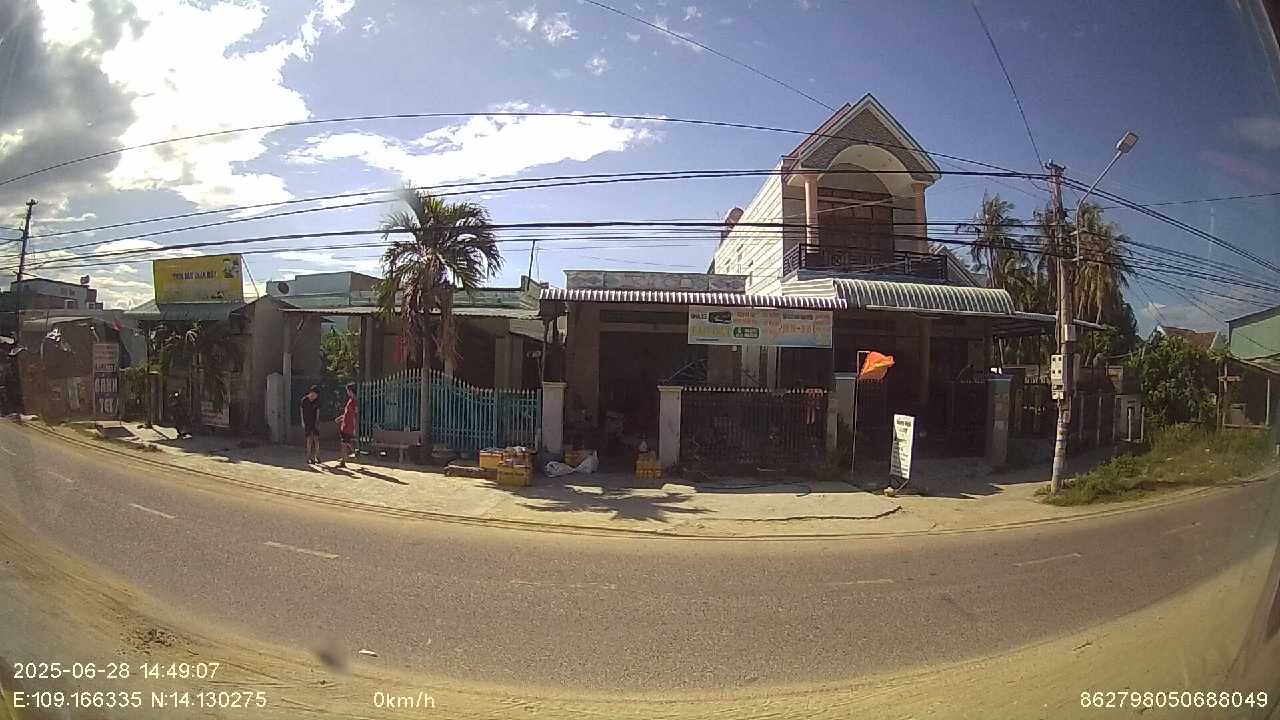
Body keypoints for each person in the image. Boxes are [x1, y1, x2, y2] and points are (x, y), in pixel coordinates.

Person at [335, 383, 357, 468]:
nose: (347, 392)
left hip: (349, 425)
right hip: (345, 424)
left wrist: (354, 427)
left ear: (351, 391)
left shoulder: (354, 401)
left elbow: (354, 415)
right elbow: (347, 413)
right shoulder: (350, 400)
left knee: (344, 444)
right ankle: (354, 452)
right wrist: (340, 418)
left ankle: (343, 461)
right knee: (346, 442)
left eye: (348, 391)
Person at [300, 385, 321, 464]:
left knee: (316, 439)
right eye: (314, 395)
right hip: (307, 421)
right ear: (311, 393)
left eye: (316, 396)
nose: (314, 397)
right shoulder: (304, 400)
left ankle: (317, 456)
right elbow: (301, 410)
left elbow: (318, 411)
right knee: (309, 439)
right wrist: (302, 421)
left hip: (314, 421)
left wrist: (317, 421)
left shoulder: (317, 401)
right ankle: (308, 457)